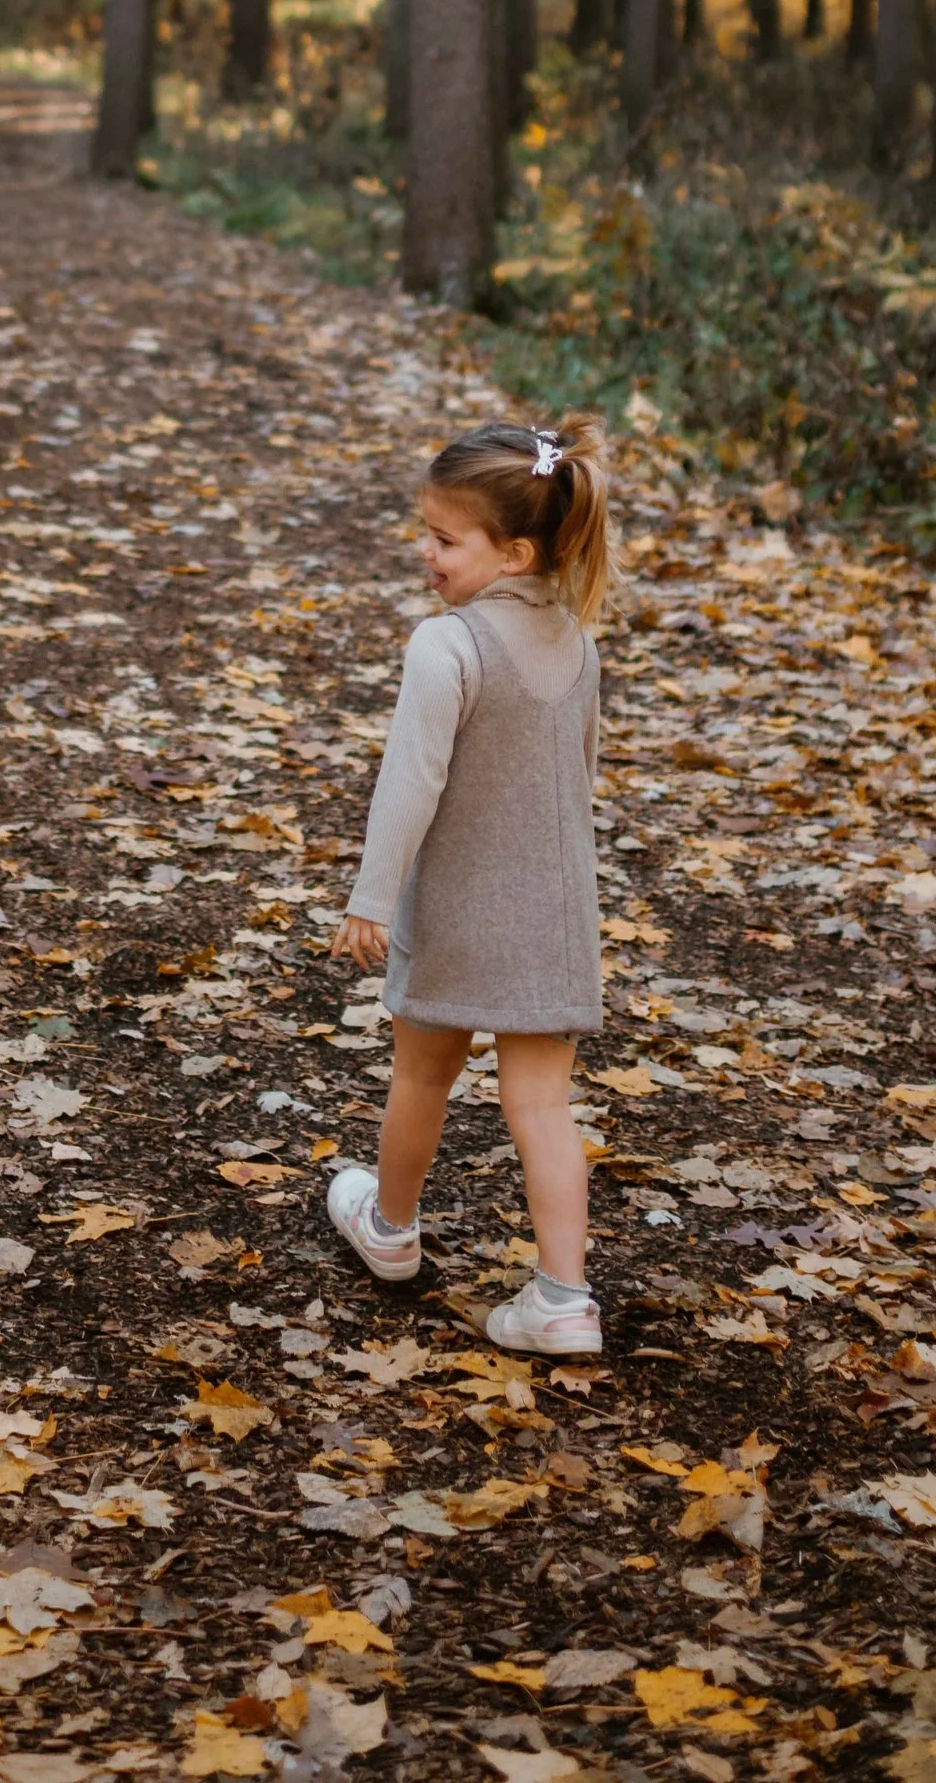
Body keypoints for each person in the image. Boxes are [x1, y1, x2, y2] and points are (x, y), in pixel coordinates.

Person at [325, 416, 608, 1356]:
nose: (426, 553)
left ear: (514, 550)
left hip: (457, 911)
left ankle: (392, 1229)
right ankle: (564, 1297)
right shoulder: (576, 644)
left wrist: (372, 896)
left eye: (446, 539)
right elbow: (582, 774)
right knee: (542, 1106)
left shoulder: (444, 648)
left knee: (421, 1072)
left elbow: (410, 783)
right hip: (555, 916)